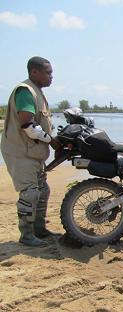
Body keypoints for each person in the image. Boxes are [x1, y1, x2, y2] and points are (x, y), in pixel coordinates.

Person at [1, 56, 61, 246]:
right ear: (34, 72)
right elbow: (27, 125)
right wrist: (52, 141)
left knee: (43, 191)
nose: (51, 76)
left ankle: (39, 229)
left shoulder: (38, 92)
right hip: (21, 152)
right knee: (30, 193)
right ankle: (26, 235)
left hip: (33, 153)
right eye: (48, 72)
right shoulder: (26, 91)